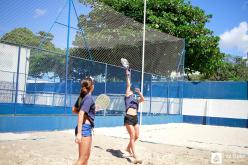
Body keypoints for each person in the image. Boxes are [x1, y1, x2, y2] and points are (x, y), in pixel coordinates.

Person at [72, 77, 95, 165]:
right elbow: (81, 113)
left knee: (85, 158)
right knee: (83, 158)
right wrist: (79, 134)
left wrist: (87, 113)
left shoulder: (82, 96)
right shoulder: (88, 98)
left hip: (84, 128)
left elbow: (74, 110)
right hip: (84, 129)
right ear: (92, 86)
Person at [124, 68, 144, 163]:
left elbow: (143, 99)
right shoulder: (128, 96)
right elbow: (128, 84)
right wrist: (127, 72)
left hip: (135, 118)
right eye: (130, 91)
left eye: (131, 91)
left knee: (137, 136)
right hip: (128, 118)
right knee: (132, 135)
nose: (131, 91)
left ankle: (128, 149)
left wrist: (139, 93)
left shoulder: (135, 100)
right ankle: (135, 156)